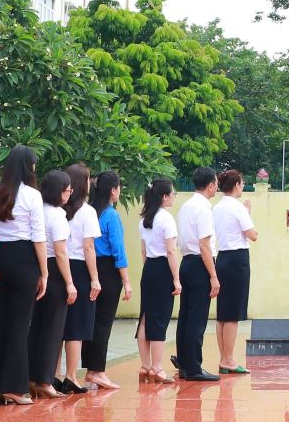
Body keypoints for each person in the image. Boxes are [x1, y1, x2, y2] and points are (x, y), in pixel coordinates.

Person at [0, 144, 45, 405]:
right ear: (29, 167)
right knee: (20, 324)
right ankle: (15, 388)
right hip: (24, 259)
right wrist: (44, 272)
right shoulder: (32, 195)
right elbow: (38, 237)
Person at [27, 169, 76, 399]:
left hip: (37, 268)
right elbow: (61, 252)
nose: (70, 193)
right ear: (60, 191)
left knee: (36, 327)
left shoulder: (38, 210)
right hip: (55, 272)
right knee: (53, 329)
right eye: (68, 190)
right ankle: (45, 380)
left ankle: (31, 377)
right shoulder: (57, 215)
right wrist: (70, 283)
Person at [82, 170, 131, 390]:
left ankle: (90, 368)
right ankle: (97, 371)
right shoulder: (111, 215)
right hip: (108, 271)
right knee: (103, 323)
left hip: (90, 268)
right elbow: (119, 251)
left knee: (91, 321)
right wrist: (127, 282)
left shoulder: (89, 211)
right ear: (113, 190)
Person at [172, 167, 220, 381]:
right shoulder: (204, 209)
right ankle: (194, 367)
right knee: (197, 318)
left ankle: (184, 363)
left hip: (187, 262)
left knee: (185, 315)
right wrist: (213, 276)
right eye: (216, 183)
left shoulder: (186, 206)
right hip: (200, 264)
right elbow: (204, 245)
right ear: (210, 185)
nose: (217, 187)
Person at [58, 164, 101, 395]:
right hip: (79, 268)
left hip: (58, 266)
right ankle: (71, 376)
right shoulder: (87, 211)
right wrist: (95, 278)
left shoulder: (57, 208)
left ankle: (53, 375)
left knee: (58, 324)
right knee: (77, 325)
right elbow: (89, 247)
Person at [136, 177, 181, 385]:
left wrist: (149, 269)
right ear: (164, 196)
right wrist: (176, 279)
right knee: (160, 319)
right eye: (173, 194)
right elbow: (171, 251)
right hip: (163, 269)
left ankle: (145, 366)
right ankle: (157, 368)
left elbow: (143, 251)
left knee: (145, 317)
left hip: (149, 269)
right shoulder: (166, 219)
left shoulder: (144, 219)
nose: (174, 197)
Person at [212, 169, 258, 374]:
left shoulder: (217, 207)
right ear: (237, 185)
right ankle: (228, 359)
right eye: (242, 183)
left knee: (223, 312)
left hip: (222, 258)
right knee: (232, 313)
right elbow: (253, 234)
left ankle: (224, 358)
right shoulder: (237, 208)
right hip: (237, 259)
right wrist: (247, 213)